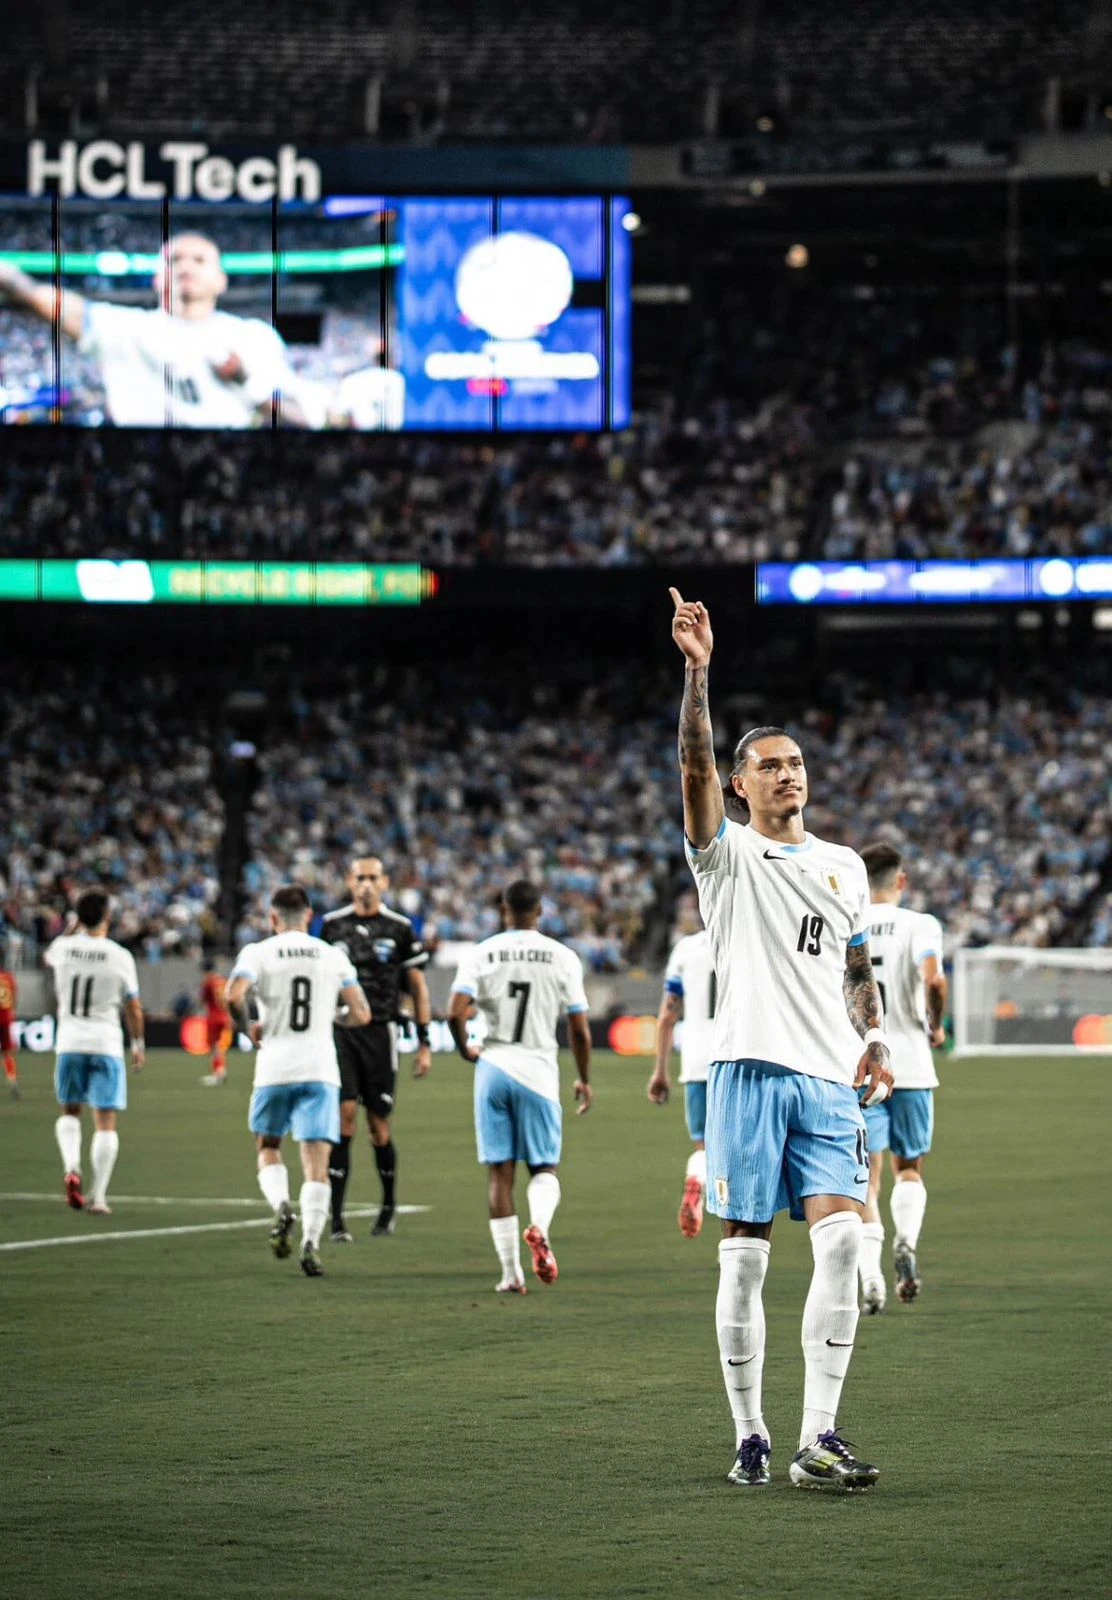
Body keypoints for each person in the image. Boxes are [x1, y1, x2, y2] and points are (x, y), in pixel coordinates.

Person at [669, 587, 894, 1493]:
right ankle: (750, 1431)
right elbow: (690, 764)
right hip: (749, 1073)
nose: (788, 776)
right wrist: (699, 675)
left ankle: (818, 1436)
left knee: (842, 1244)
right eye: (769, 767)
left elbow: (854, 964)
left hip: (829, 1081)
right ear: (739, 784)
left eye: (796, 764)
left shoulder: (843, 866)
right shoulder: (722, 855)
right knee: (746, 1254)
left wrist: (873, 1036)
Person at [0, 234, 317, 428]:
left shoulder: (253, 337)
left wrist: (247, 383)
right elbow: (47, 300)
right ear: (156, 278)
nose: (185, 267)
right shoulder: (128, 328)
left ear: (222, 280)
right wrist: (11, 277)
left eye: (199, 260)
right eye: (173, 260)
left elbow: (305, 419)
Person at [447, 879, 592, 1294]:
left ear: (502, 909)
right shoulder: (562, 957)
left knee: (500, 1175)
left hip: (492, 1066)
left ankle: (511, 1274)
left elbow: (454, 1013)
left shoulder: (481, 953)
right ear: (540, 911)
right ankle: (540, 1227)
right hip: (538, 1071)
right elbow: (579, 1029)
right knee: (544, 1168)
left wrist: (464, 1050)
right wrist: (583, 1078)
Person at [226, 883, 370, 1278]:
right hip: (320, 1069)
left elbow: (233, 995)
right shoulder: (331, 955)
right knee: (317, 1165)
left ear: (273, 919)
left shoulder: (258, 952)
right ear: (309, 917)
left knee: (268, 1146)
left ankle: (280, 1206)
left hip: (274, 1067)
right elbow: (361, 1013)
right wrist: (334, 1017)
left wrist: (246, 1029)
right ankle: (311, 1242)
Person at [320, 857, 432, 1241]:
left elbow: (417, 986)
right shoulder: (332, 926)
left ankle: (387, 1206)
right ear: (349, 882)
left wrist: (424, 1042)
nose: (366, 884)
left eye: (372, 877)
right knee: (343, 1118)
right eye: (359, 877)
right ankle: (336, 1218)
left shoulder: (400, 928)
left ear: (384, 882)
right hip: (341, 1032)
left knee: (378, 1127)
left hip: (381, 1032)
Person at [856, 843, 947, 1313]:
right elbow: (933, 980)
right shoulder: (920, 924)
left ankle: (870, 1277)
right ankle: (906, 1244)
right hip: (911, 1064)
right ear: (901, 881)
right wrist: (936, 1024)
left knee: (865, 1181)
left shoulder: (845, 922)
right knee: (907, 1169)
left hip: (862, 1067)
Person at [45, 890, 145, 1215]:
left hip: (70, 1042)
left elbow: (51, 954)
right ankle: (99, 1196)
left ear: (76, 917)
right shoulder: (119, 956)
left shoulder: (62, 948)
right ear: (108, 917)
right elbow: (133, 1005)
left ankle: (71, 1166)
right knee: (105, 1122)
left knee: (70, 1111)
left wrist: (72, 928)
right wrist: (138, 1044)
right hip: (105, 1044)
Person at [647, 910, 715, 1236]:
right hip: (742, 1059)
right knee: (741, 1159)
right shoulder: (748, 940)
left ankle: (696, 1179)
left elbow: (667, 1017)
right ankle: (736, 1246)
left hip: (698, 1062)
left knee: (703, 1148)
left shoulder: (687, 949)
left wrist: (660, 1072)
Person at [199, 958, 232, 1087]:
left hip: (213, 1017)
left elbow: (203, 1000)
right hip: (224, 1016)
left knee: (214, 1046)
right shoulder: (222, 980)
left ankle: (218, 1072)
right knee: (219, 1046)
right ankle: (220, 1071)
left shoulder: (208, 982)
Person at [0, 961, 20, 1097]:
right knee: (7, 1052)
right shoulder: (8, 977)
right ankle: (12, 1080)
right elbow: (14, 998)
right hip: (6, 1018)